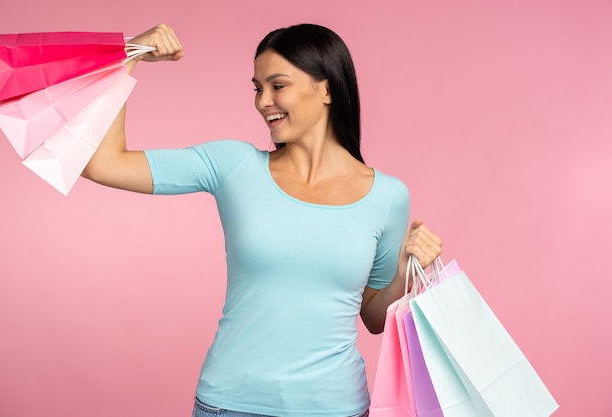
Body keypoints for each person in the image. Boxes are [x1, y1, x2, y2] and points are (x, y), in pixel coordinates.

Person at [82, 23, 442, 417]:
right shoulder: (233, 165)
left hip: (335, 407)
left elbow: (373, 316)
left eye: (278, 85)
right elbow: (104, 164)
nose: (262, 101)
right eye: (257, 88)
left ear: (326, 89)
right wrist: (127, 56)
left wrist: (406, 275)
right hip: (229, 405)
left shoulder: (388, 196)